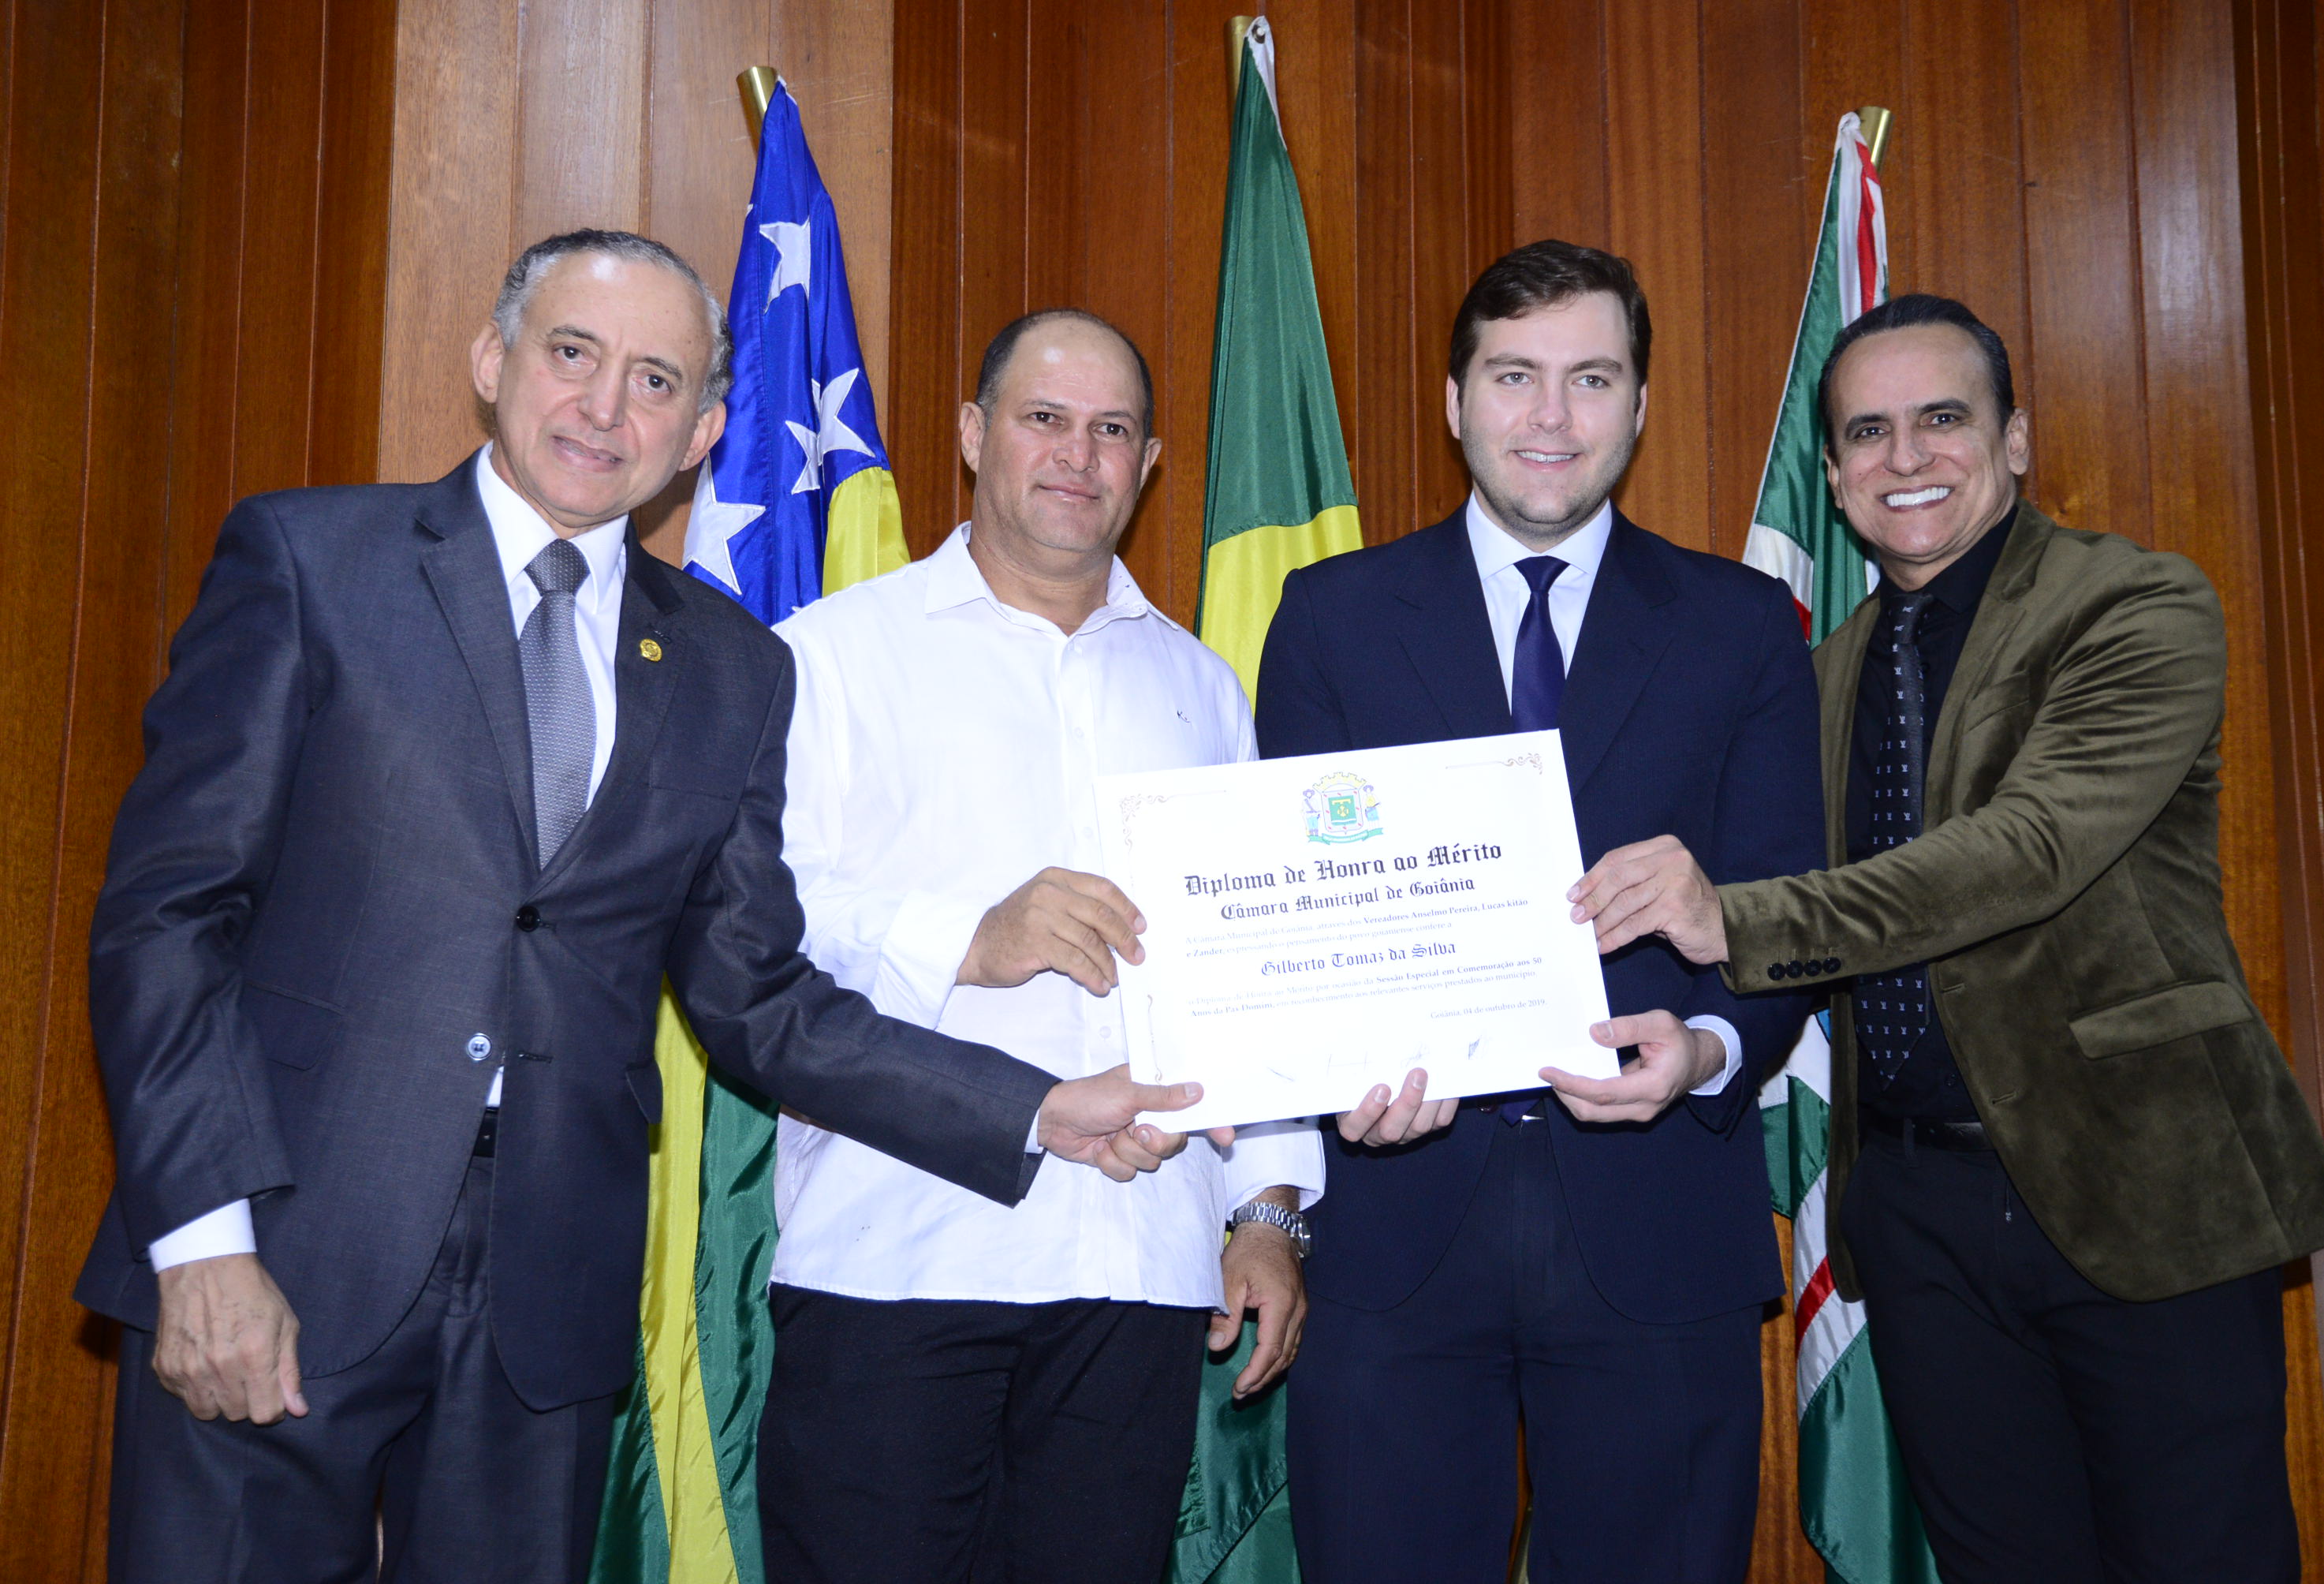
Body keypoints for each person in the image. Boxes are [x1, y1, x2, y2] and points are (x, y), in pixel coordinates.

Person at [76, 231, 1203, 1584]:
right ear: (492, 361)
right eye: (573, 354)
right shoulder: (314, 561)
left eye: (657, 381)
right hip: (281, 1244)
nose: (606, 407)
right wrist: (201, 1239)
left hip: (547, 1301)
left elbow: (757, 998)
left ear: (704, 433)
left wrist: (1028, 1108)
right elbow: (167, 916)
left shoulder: (731, 668)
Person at [1572, 292, 2324, 1583]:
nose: (1907, 457)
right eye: (1867, 433)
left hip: (2138, 1179)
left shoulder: (2136, 604)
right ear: (1835, 479)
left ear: (2015, 440)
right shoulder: (1815, 676)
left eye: (1943, 418)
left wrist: (1735, 917)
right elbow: (1754, 871)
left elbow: (2026, 852)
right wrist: (1679, 1023)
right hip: (1916, 1212)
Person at [1255, 241, 1825, 1583]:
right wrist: (1343, 1066)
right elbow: (1296, 918)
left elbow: (1789, 903)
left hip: (1660, 1226)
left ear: (1639, 404)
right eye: (1515, 377)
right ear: (1456, 402)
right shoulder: (1331, 618)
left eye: (1592, 379)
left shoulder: (1744, 625)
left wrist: (1708, 1049)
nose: (1552, 416)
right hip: (1395, 1230)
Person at [755, 308, 1325, 1584]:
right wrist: (970, 937)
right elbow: (757, 929)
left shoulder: (1201, 686)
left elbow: (1259, 968)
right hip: (897, 1255)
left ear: (1151, 462)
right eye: (1045, 419)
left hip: (1140, 1269)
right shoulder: (832, 655)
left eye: (1112, 429)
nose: (1079, 454)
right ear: (973, 434)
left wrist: (1268, 1211)